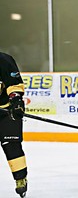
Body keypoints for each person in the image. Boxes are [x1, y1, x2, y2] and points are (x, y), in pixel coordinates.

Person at [0, 52, 28, 198]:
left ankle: (20, 178)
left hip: (6, 110)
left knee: (11, 145)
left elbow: (15, 84)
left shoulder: (4, 60)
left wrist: (16, 100)